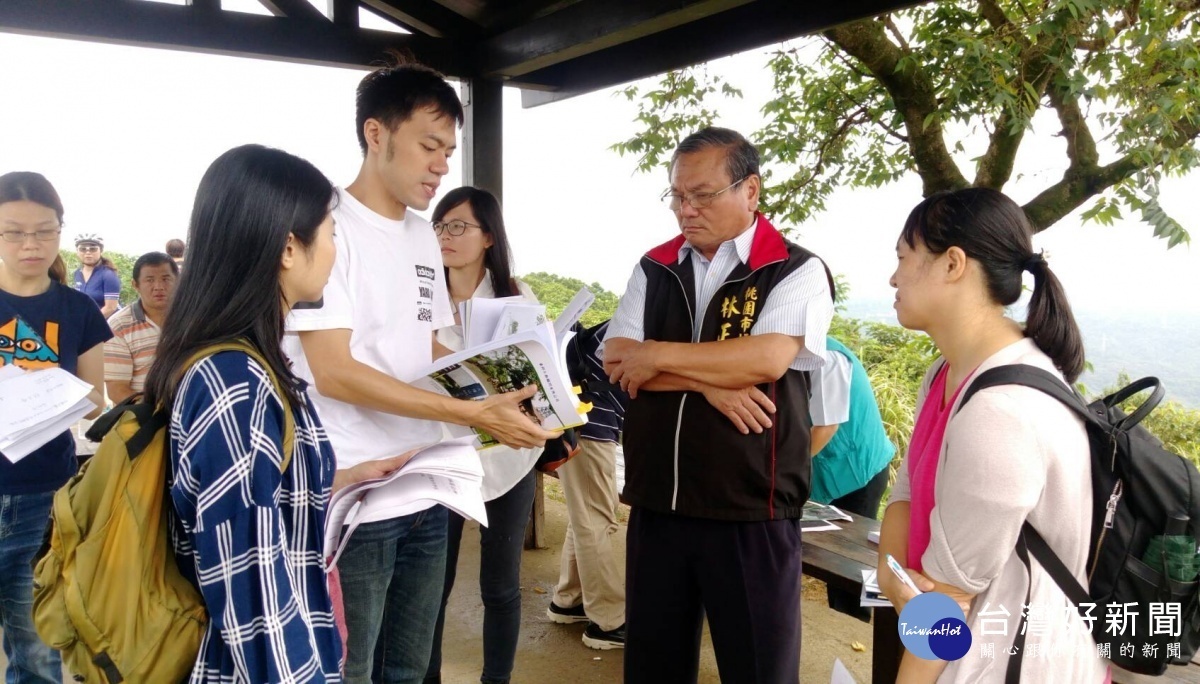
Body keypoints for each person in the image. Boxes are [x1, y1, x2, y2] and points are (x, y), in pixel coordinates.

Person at [283, 63, 555, 684]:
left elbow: (430, 346)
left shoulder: (417, 236)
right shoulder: (326, 227)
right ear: (376, 134)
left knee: (408, 666)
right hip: (356, 495)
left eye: (449, 152)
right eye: (429, 146)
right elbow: (335, 371)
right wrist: (468, 414)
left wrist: (515, 396)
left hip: (427, 482)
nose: (441, 165)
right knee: (350, 668)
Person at [146, 144, 412, 683]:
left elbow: (256, 495)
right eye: (331, 234)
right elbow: (253, 592)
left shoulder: (250, 364)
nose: (335, 250)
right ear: (290, 248)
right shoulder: (234, 383)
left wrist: (342, 477)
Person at [603, 126, 833, 683]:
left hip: (750, 510)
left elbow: (767, 359)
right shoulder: (654, 266)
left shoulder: (795, 269)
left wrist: (657, 354)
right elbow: (618, 362)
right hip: (660, 503)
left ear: (750, 190)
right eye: (678, 196)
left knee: (758, 668)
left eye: (702, 194)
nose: (687, 209)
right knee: (653, 667)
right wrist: (708, 382)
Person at [876, 187, 1104, 683]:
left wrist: (912, 593)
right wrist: (896, 586)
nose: (893, 277)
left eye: (903, 257)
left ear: (953, 264)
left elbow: (944, 611)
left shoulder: (1002, 411)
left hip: (1011, 663)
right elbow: (909, 491)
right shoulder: (946, 373)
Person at [424, 186, 541, 684]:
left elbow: (537, 375)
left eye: (458, 226)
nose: (445, 236)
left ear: (488, 236)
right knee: (432, 583)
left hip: (508, 459)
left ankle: (497, 679)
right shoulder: (420, 297)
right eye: (439, 226)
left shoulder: (516, 296)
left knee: (500, 586)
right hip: (440, 453)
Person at [0, 171, 111, 684]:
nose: (31, 244)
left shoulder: (77, 308)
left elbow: (95, 402)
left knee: (37, 646)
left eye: (44, 231)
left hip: (43, 495)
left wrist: (41, 386)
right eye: (14, 231)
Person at [546, 319, 629, 650]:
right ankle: (608, 621)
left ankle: (570, 599)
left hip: (578, 419)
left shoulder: (624, 321)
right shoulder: (643, 325)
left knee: (588, 513)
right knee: (596, 518)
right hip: (589, 422)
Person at [807, 330, 895, 622]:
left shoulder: (828, 356)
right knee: (833, 555)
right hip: (831, 468)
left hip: (861, 472)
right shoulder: (795, 354)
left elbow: (825, 428)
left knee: (856, 557)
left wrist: (781, 470)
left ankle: (862, 626)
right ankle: (849, 620)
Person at [104, 251, 178, 403]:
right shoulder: (119, 325)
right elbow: (117, 390)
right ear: (135, 285)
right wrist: (160, 411)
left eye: (166, 279)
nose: (158, 287)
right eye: (149, 280)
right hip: (145, 416)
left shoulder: (192, 319)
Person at [72, 232, 120, 317]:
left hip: (107, 324)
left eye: (93, 249)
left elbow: (111, 307)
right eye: (83, 249)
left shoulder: (108, 275)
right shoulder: (77, 274)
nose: (88, 252)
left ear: (101, 251)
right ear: (77, 252)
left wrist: (89, 322)